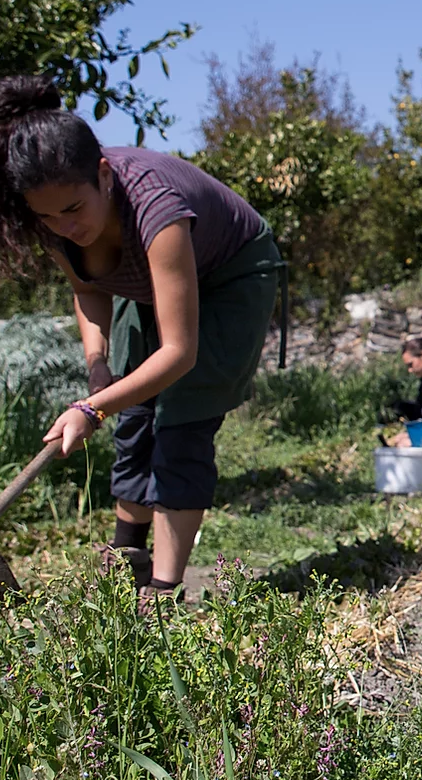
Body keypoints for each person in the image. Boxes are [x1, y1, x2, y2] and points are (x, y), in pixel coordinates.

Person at [0, 75, 283, 602]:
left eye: (74, 211)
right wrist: (97, 369)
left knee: (181, 424)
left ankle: (161, 593)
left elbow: (179, 353)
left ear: (104, 176)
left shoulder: (156, 207)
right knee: (133, 419)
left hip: (228, 272)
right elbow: (88, 288)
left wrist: (89, 410)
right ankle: (126, 562)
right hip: (149, 281)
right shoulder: (49, 218)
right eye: (48, 217)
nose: (65, 227)